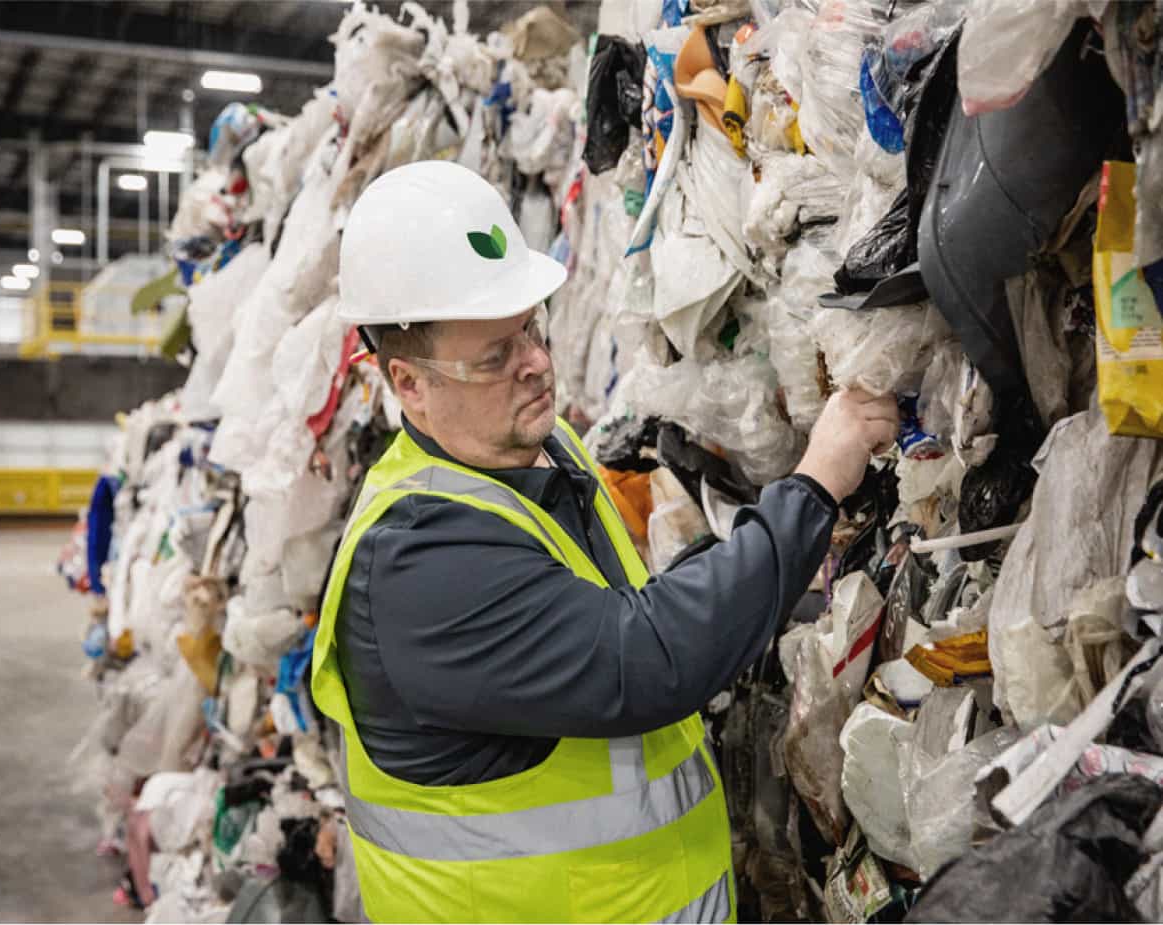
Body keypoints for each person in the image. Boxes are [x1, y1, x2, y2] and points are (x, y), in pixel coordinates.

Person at [310, 160, 900, 923]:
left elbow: (612, 606)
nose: (535, 363)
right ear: (409, 382)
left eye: (530, 328)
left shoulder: (535, 451)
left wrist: (758, 569)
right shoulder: (418, 561)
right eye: (494, 355)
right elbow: (642, 658)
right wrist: (815, 484)